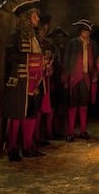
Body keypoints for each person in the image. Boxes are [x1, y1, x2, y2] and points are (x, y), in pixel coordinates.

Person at [2, 0, 46, 161]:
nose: (38, 19)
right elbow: (11, 54)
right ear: (27, 17)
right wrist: (32, 59)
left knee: (31, 114)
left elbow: (37, 58)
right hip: (20, 81)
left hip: (34, 82)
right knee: (17, 115)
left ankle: (28, 147)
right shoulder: (15, 35)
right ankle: (12, 148)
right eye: (35, 16)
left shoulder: (34, 38)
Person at [63, 19, 99, 142]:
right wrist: (65, 77)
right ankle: (70, 132)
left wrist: (95, 72)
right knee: (72, 105)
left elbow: (95, 61)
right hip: (74, 77)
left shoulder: (93, 44)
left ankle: (83, 130)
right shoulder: (72, 43)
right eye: (85, 31)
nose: (87, 34)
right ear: (81, 32)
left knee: (84, 104)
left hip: (86, 78)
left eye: (88, 32)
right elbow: (66, 61)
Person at [34, 14, 55, 144]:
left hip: (44, 80)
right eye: (42, 30)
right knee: (34, 110)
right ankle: (32, 138)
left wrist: (49, 67)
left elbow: (49, 61)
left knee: (41, 110)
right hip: (34, 79)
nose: (44, 33)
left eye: (46, 31)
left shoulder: (46, 44)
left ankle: (38, 136)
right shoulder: (33, 42)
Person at [47, 26, 69, 139]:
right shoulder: (51, 49)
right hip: (53, 81)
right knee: (52, 107)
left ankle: (56, 129)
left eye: (61, 37)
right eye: (57, 37)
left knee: (60, 107)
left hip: (61, 81)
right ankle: (49, 131)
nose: (60, 39)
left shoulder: (64, 49)